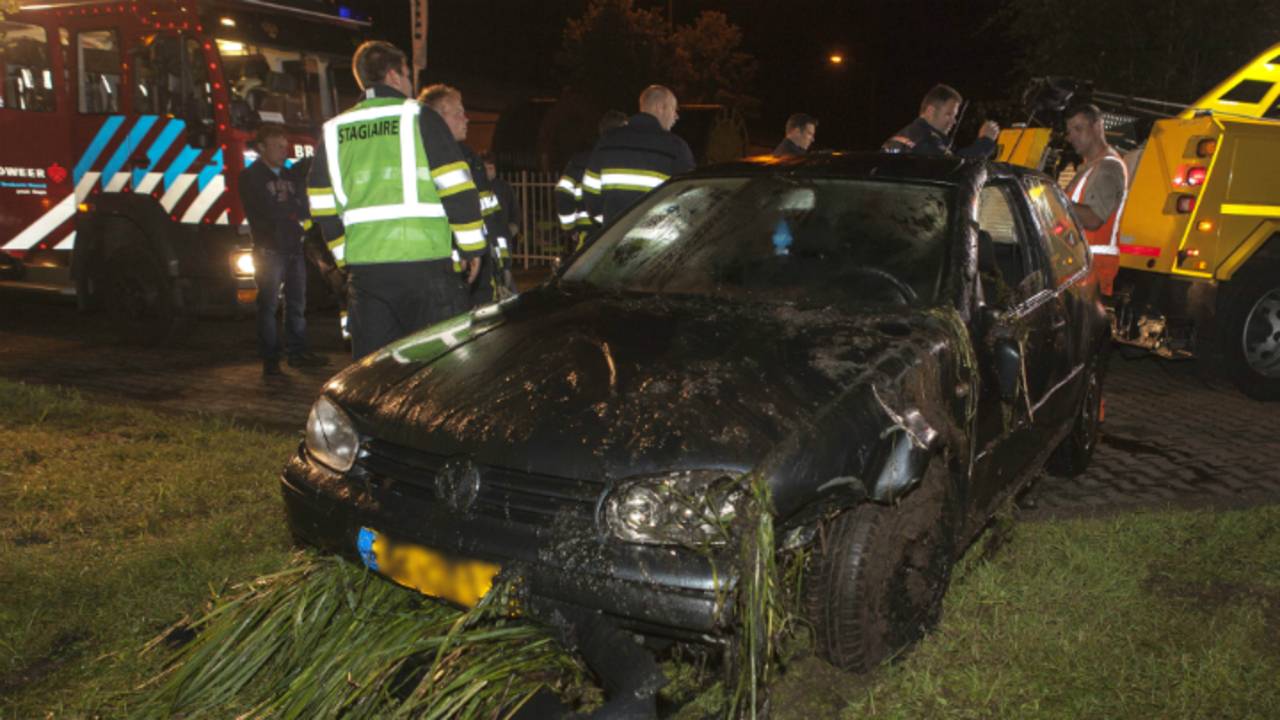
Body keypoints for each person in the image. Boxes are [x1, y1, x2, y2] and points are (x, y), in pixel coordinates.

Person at [307, 41, 485, 360]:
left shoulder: (333, 130)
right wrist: (472, 247)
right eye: (406, 75)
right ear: (393, 75)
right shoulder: (420, 117)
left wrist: (344, 258)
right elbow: (456, 186)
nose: (409, 83)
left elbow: (321, 202)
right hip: (426, 268)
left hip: (367, 275)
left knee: (375, 373)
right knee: (442, 368)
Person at [238, 124, 328, 376]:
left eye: (284, 146)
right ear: (261, 148)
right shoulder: (250, 177)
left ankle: (298, 353)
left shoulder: (290, 176)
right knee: (268, 306)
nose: (283, 151)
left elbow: (303, 208)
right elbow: (267, 212)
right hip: (269, 251)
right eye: (277, 146)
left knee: (297, 304)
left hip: (293, 248)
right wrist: (291, 212)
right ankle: (271, 359)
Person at [418, 83, 514, 306]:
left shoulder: (470, 158)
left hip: (481, 270)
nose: (466, 119)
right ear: (438, 118)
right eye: (459, 113)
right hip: (452, 273)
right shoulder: (430, 159)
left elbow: (491, 219)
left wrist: (503, 264)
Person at [584, 85, 695, 228]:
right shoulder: (676, 147)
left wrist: (611, 225)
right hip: (659, 242)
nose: (676, 116)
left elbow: (591, 195)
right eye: (674, 109)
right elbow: (688, 197)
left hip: (614, 240)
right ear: (659, 107)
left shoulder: (607, 142)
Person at [1063, 103, 1127, 296]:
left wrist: (1053, 201)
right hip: (1078, 268)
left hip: (1091, 270)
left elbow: (1093, 219)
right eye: (1069, 131)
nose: (1071, 137)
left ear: (1098, 126)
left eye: (1078, 128)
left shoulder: (1108, 168)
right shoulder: (1090, 167)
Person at [556, 110, 628, 252]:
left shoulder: (581, 160)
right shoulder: (629, 161)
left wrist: (570, 228)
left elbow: (562, 192)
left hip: (590, 234)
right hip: (622, 232)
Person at [882, 83, 999, 159]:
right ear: (930, 111)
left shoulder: (900, 137)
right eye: (949, 114)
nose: (954, 122)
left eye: (955, 116)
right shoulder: (925, 141)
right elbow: (954, 169)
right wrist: (985, 142)